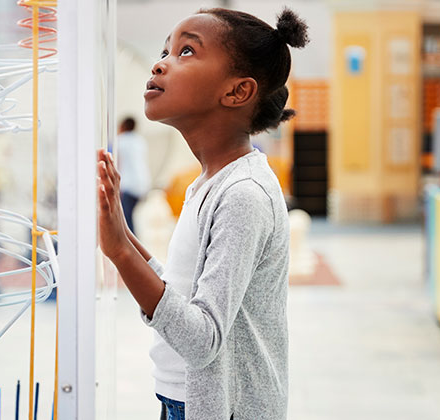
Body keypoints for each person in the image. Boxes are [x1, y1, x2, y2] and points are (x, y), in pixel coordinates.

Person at [97, 8, 307, 420]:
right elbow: (185, 289)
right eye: (165, 50)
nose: (161, 62)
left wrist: (122, 253)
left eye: (186, 51)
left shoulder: (243, 195)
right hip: (186, 402)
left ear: (236, 92)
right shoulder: (211, 182)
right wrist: (121, 235)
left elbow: (202, 339)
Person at [115, 116, 152, 235]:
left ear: (122, 127)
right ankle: (135, 242)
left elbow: (117, 164)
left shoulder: (120, 141)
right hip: (143, 183)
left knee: (126, 219)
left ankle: (132, 245)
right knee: (131, 216)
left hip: (128, 185)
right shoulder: (140, 141)